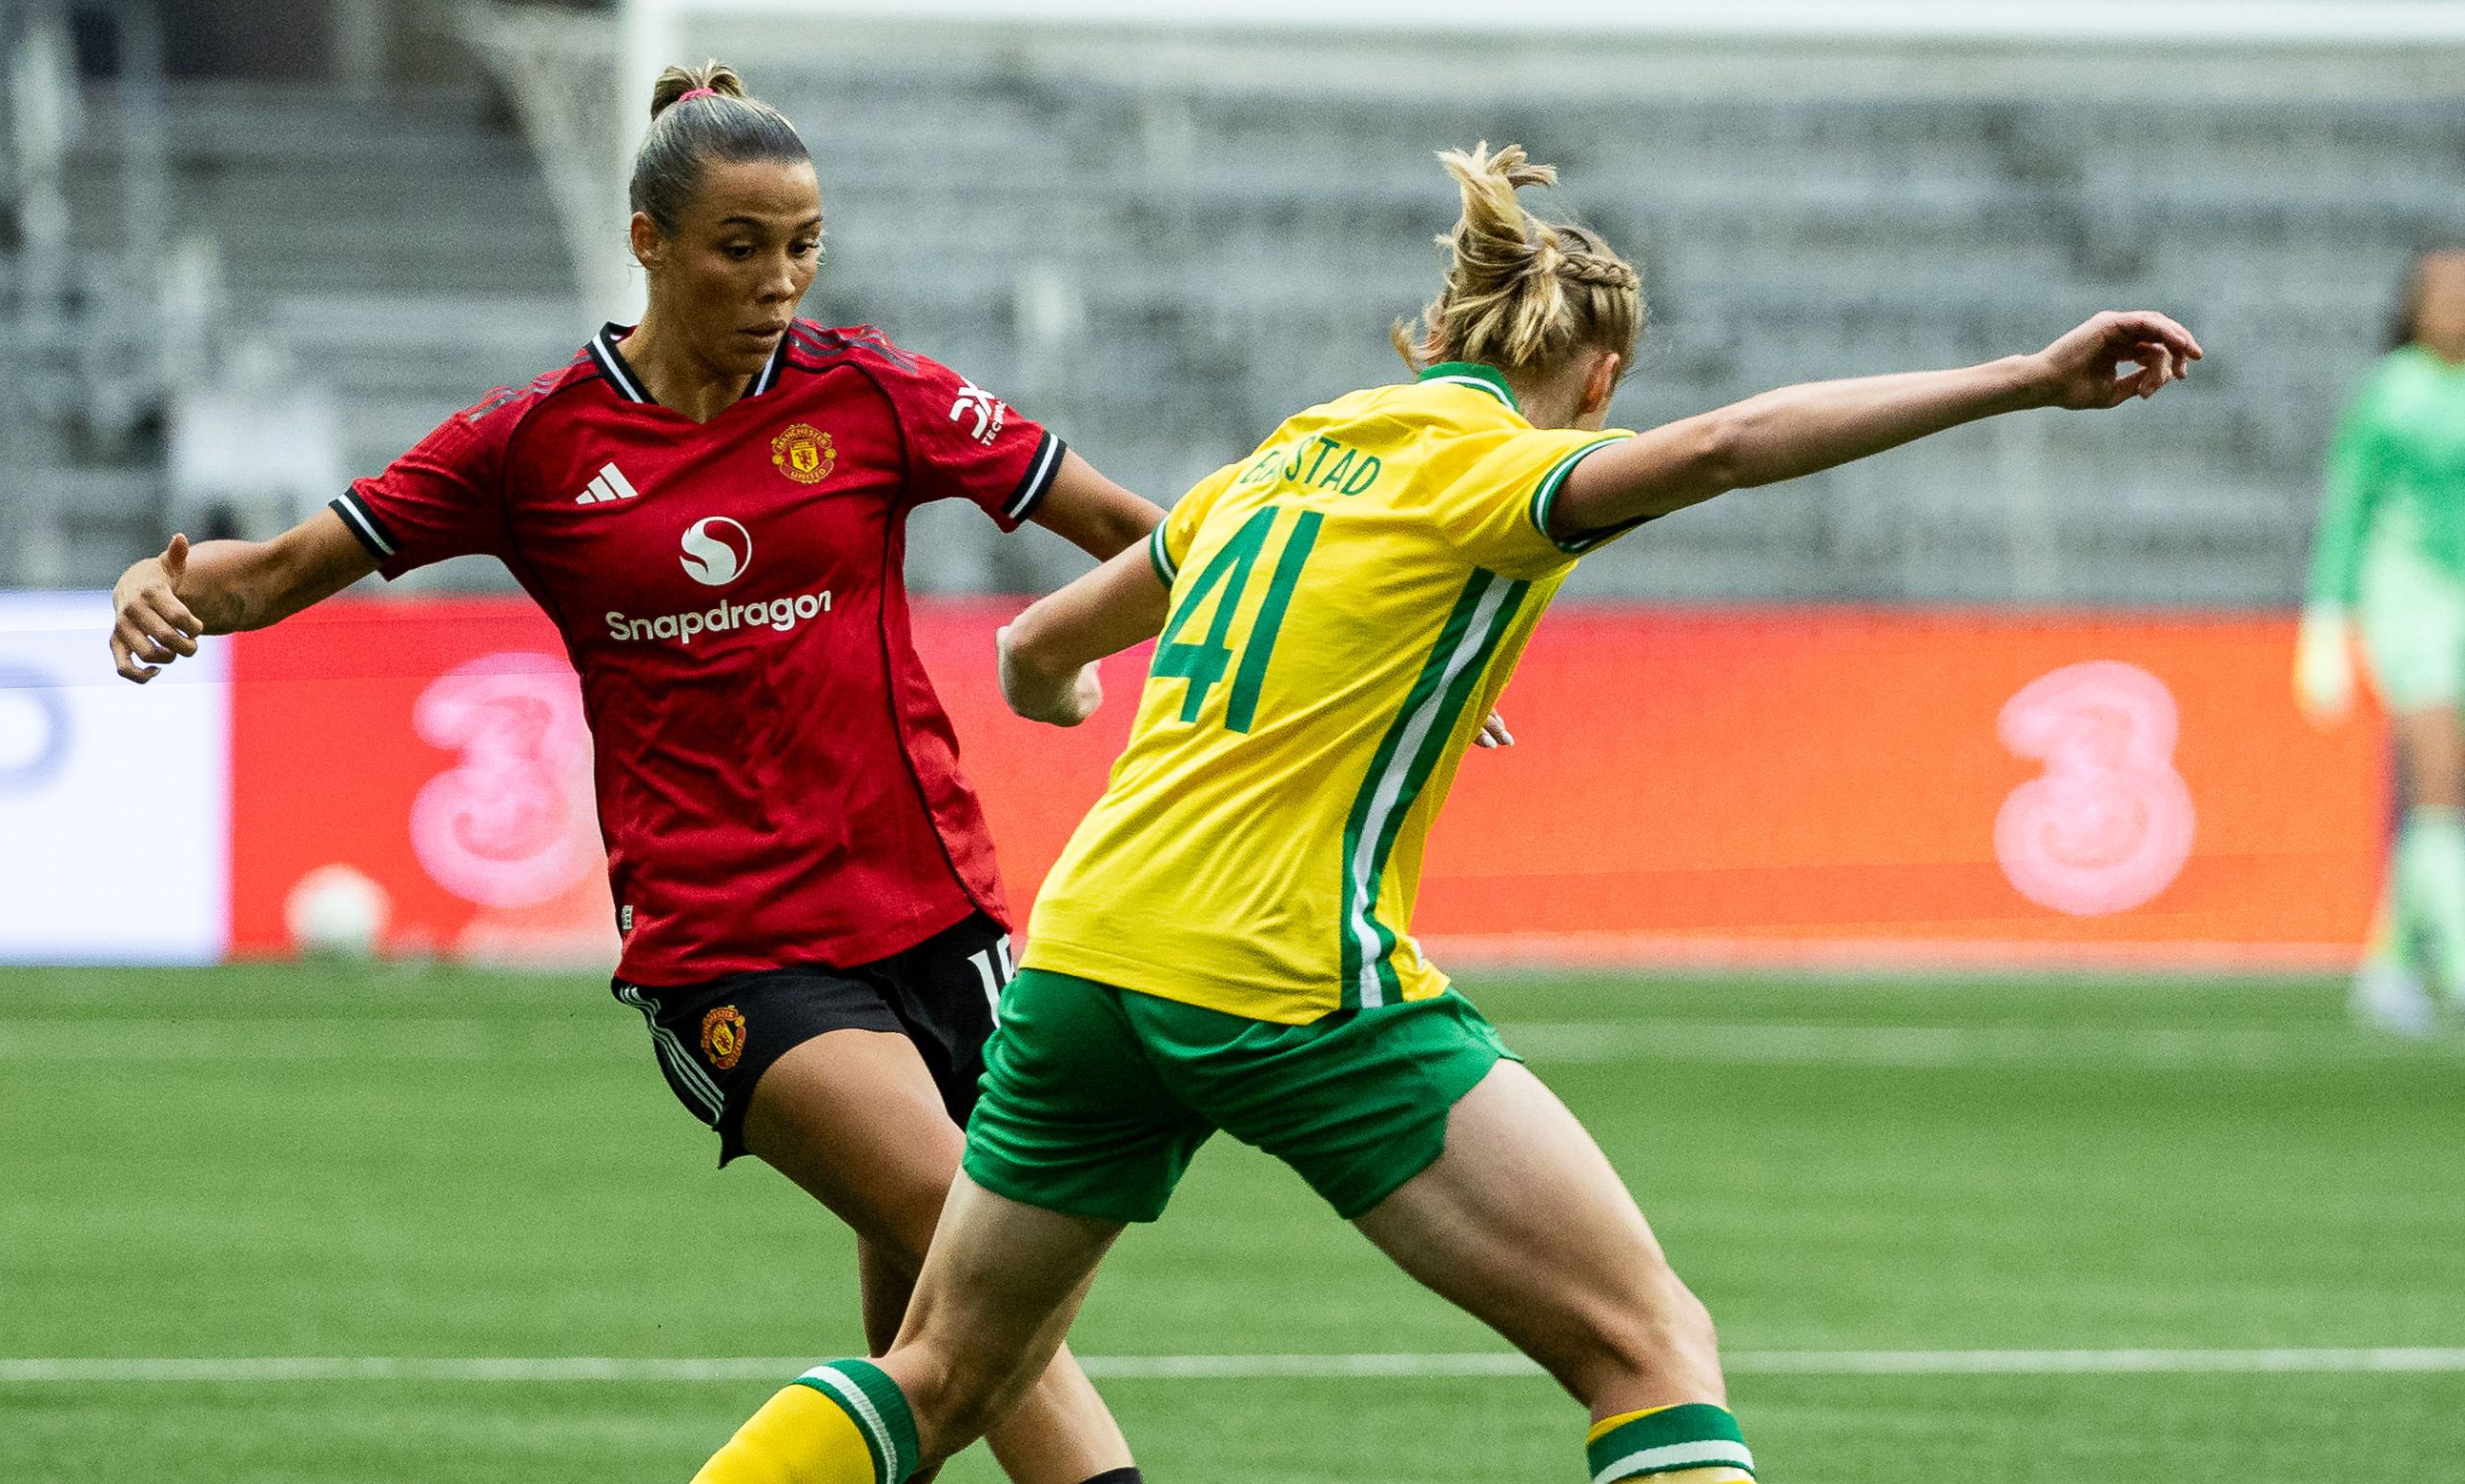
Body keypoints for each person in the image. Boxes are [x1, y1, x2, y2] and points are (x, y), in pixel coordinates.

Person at [686, 143, 2202, 1484]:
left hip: (1085, 962)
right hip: (1280, 971)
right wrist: (2023, 379)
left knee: (943, 1371)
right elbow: (1733, 447)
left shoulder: (1286, 453)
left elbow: (1032, 652)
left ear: (1431, 339)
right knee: (1647, 1346)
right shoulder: (1499, 476)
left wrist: (1090, 701)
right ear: (1597, 383)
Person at [107, 62, 1159, 1484]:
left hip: (937, 919)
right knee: (975, 1247)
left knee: (936, 1355)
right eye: (741, 247)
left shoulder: (876, 395)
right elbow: (285, 569)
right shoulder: (532, 442)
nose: (779, 280)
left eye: (802, 247)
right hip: (729, 947)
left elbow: (1129, 529)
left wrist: (1319, 638)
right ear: (647, 242)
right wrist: (154, 586)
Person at [2296, 247, 2465, 1037]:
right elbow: (2347, 507)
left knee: (2450, 790)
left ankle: (2390, 965)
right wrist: (2326, 623)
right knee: (2436, 772)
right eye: (2443, 290)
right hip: (2407, 598)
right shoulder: (2389, 392)